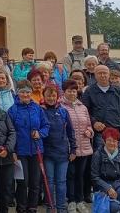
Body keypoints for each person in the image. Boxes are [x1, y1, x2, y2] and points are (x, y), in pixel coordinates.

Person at [8, 83, 49, 213]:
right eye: (22, 92)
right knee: (22, 182)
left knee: (35, 182)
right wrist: (12, 151)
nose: (25, 95)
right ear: (18, 93)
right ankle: (21, 207)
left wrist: (40, 133)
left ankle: (32, 207)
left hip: (36, 150)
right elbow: (10, 131)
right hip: (20, 151)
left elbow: (46, 125)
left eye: (27, 92)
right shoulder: (13, 110)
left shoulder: (37, 109)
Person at [59, 80, 93, 213]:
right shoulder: (61, 107)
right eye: (69, 91)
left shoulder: (82, 107)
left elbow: (89, 124)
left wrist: (89, 132)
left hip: (84, 147)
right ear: (64, 92)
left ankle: (80, 201)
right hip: (69, 149)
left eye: (74, 91)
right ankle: (71, 200)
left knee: (80, 175)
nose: (72, 93)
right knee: (70, 175)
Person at [42, 84, 75, 213]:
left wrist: (73, 149)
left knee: (61, 181)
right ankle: (51, 206)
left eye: (53, 95)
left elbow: (70, 131)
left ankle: (61, 207)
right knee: (49, 182)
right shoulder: (41, 111)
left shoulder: (63, 111)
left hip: (62, 153)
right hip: (47, 153)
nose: (51, 98)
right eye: (48, 95)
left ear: (57, 97)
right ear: (44, 96)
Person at [80, 65, 120, 150]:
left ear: (109, 74)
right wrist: (94, 122)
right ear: (95, 75)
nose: (103, 75)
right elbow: (84, 112)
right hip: (100, 134)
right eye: (99, 73)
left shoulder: (118, 90)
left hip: (117, 132)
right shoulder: (89, 91)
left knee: (119, 160)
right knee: (101, 160)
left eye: (105, 73)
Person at [90, 128, 120, 213]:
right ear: (104, 141)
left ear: (118, 142)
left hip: (118, 183)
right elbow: (94, 177)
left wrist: (113, 187)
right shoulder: (97, 154)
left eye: (115, 141)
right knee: (114, 207)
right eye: (109, 140)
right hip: (102, 185)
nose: (112, 143)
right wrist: (107, 188)